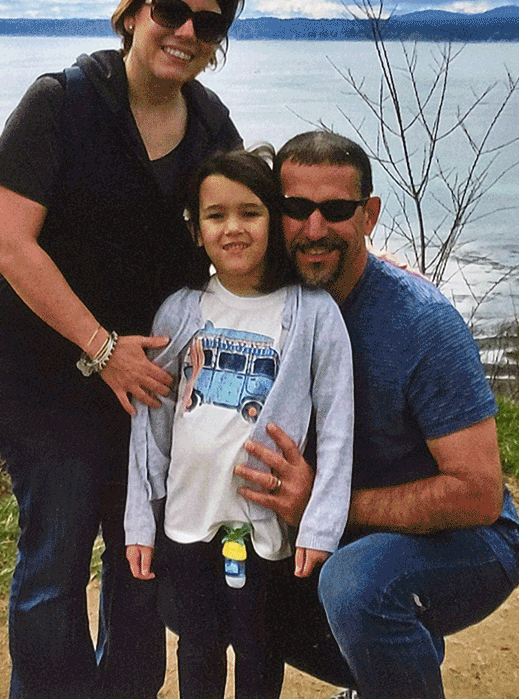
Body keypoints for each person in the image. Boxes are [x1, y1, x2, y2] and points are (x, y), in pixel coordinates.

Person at [0, 0, 245, 699]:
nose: (186, 32)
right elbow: (9, 243)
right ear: (133, 11)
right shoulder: (59, 104)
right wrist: (104, 351)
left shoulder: (209, 124)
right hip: (52, 385)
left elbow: (245, 223)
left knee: (140, 568)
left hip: (154, 398)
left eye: (209, 20)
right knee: (53, 570)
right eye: (170, 9)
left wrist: (362, 253)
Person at [235, 130, 519, 699]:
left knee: (357, 585)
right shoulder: (272, 301)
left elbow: (478, 494)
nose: (314, 228)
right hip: (361, 534)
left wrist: (325, 506)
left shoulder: (423, 324)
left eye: (337, 210)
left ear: (368, 215)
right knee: (223, 584)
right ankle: (384, 667)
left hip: (472, 539)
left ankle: (392, 653)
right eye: (295, 209)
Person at [124, 146, 354, 699]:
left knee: (259, 650)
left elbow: (338, 423)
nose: (233, 229)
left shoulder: (311, 312)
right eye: (215, 215)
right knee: (197, 648)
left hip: (264, 527)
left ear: (274, 221)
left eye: (249, 213)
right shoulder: (179, 309)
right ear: (196, 228)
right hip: (186, 519)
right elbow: (149, 427)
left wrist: (321, 523)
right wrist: (139, 520)